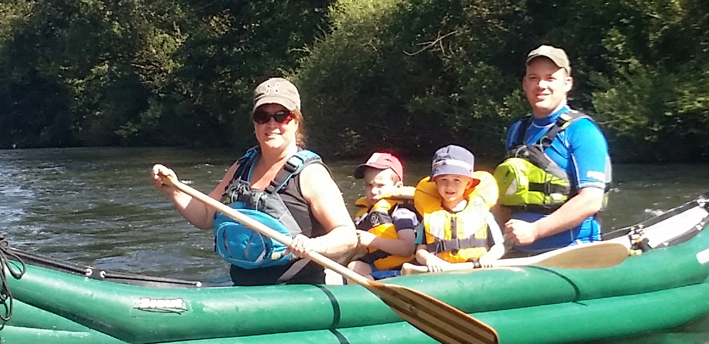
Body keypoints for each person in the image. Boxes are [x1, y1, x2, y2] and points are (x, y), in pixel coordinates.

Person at [152, 78, 367, 286]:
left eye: (281, 116)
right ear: (255, 122)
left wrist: (313, 245)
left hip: (296, 289)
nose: (271, 123)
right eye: (262, 116)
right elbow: (206, 216)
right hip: (243, 287)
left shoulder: (311, 174)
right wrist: (174, 189)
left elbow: (347, 235)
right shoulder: (243, 166)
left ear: (296, 121)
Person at [495, 45, 611, 257]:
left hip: (572, 252)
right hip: (522, 252)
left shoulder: (582, 131)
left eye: (550, 78)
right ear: (524, 83)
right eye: (533, 78)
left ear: (567, 83)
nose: (541, 85)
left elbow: (591, 199)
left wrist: (535, 230)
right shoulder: (517, 131)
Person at [413, 145, 506, 271]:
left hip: (476, 271)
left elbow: (499, 247)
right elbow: (420, 250)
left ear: (468, 183)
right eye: (443, 179)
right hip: (441, 272)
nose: (449, 186)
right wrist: (429, 259)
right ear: (435, 182)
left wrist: (490, 257)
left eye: (457, 180)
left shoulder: (483, 214)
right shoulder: (430, 215)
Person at [350, 152, 420, 279]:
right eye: (368, 185)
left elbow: (407, 248)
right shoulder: (367, 212)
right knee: (353, 267)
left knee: (361, 275)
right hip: (379, 266)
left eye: (380, 185)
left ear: (398, 187)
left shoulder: (402, 211)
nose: (373, 191)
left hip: (403, 271)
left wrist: (372, 240)